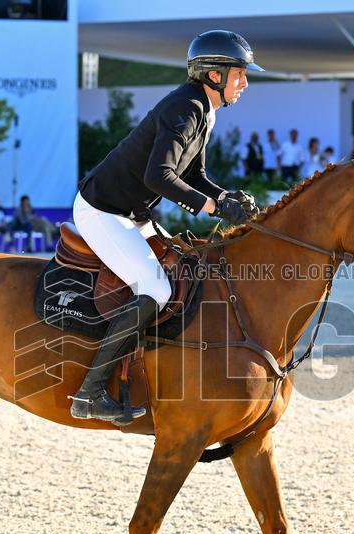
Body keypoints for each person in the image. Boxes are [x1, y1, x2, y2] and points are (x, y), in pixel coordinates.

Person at [68, 29, 262, 423]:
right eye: (240, 73)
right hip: (103, 211)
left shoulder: (204, 110)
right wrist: (211, 206)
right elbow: (159, 176)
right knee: (155, 288)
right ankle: (88, 394)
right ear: (214, 75)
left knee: (183, 270)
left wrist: (225, 197)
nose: (245, 82)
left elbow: (196, 174)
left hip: (132, 214)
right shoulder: (185, 109)